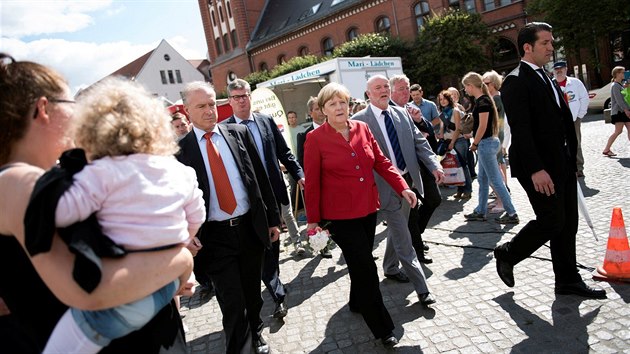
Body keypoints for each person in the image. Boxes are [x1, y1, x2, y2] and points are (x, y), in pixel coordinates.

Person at [0, 53, 193, 353]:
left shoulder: (53, 174)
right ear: (44, 109)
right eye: (71, 105)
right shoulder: (16, 181)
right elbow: (93, 291)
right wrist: (181, 260)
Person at [39, 77, 205, 353]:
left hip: (123, 310)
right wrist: (176, 247)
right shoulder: (177, 170)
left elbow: (61, 214)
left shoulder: (92, 175)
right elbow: (195, 218)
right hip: (155, 300)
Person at [495, 22, 606, 299]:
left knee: (568, 223)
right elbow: (521, 129)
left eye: (552, 42)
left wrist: (572, 157)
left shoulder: (545, 76)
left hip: (562, 163)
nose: (551, 47)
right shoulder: (516, 80)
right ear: (528, 47)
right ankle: (508, 253)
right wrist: (536, 169)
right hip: (539, 168)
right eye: (545, 43)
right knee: (552, 220)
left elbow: (561, 119)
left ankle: (568, 281)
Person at [304, 82, 417, 348]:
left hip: (368, 209)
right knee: (366, 267)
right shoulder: (315, 139)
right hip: (339, 216)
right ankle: (382, 326)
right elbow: (312, 183)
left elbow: (381, 162)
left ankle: (357, 300)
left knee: (360, 261)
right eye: (332, 104)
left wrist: (403, 187)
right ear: (322, 110)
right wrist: (312, 221)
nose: (339, 107)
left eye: (342, 101)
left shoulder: (362, 128)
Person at [177, 81, 281, 354]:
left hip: (249, 228)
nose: (210, 111)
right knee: (232, 301)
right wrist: (186, 236)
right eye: (201, 106)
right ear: (187, 110)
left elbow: (260, 178)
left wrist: (272, 219)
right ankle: (241, 347)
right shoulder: (180, 151)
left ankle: (256, 331)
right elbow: (177, 200)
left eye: (213, 104)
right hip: (214, 237)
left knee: (252, 294)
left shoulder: (238, 133)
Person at [355, 74, 442, 305]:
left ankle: (390, 267)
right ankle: (422, 289)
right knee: (404, 237)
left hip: (407, 184)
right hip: (382, 186)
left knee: (399, 227)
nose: (383, 90)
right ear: (368, 94)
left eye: (386, 86)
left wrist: (434, 164)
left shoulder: (402, 114)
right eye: (378, 88)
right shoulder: (358, 121)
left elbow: (419, 143)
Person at [223, 78, 304, 319]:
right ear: (229, 101)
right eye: (236, 97)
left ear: (250, 96)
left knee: (274, 243)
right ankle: (275, 292)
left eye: (245, 95)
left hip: (274, 195)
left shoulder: (265, 121)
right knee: (259, 248)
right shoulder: (223, 129)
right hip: (247, 201)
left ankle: (274, 285)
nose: (241, 100)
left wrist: (299, 174)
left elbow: (284, 152)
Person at [389, 75, 442, 263]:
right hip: (402, 169)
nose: (406, 92)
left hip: (420, 165)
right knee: (411, 210)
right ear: (391, 91)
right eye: (402, 89)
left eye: (407, 88)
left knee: (434, 200)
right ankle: (416, 250)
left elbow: (430, 140)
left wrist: (420, 120)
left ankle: (413, 236)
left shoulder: (411, 109)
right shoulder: (388, 111)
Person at [462, 72, 519, 225]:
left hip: (486, 143)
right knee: (482, 179)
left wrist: (474, 144)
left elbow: (482, 126)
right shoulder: (483, 100)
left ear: (471, 86)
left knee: (496, 180)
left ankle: (512, 212)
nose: (465, 91)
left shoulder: (483, 102)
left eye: (465, 87)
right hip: (487, 143)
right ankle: (481, 210)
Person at [296, 96, 333, 258]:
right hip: (319, 183)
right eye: (317, 109)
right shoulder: (304, 135)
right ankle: (324, 245)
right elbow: (301, 161)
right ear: (310, 113)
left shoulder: (336, 128)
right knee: (322, 216)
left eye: (322, 107)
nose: (321, 112)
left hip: (337, 183)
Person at [552, 61, 589, 177]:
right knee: (559, 144)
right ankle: (564, 167)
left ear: (566, 69)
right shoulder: (551, 84)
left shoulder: (575, 83)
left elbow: (584, 98)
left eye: (561, 69)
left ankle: (578, 167)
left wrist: (580, 115)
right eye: (556, 69)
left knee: (576, 143)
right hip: (558, 121)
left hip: (574, 119)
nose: (559, 71)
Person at [482, 70, 509, 212]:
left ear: (494, 84)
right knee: (495, 169)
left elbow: (496, 122)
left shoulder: (496, 98)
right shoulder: (491, 97)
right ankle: (500, 199)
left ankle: (502, 201)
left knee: (495, 171)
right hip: (494, 136)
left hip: (495, 137)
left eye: (486, 83)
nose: (484, 86)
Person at [439, 90, 473, 200]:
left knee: (463, 165)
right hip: (448, 142)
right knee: (455, 167)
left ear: (449, 99)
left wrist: (452, 142)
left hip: (458, 141)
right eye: (440, 99)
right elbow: (442, 128)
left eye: (444, 98)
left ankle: (468, 190)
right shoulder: (443, 113)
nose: (442, 101)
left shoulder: (455, 111)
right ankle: (460, 189)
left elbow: (458, 128)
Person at [602, 66, 630, 157]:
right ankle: (606, 149)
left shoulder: (619, 84)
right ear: (617, 74)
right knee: (618, 131)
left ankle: (606, 149)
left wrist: (626, 87)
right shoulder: (615, 85)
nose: (624, 74)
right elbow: (619, 100)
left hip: (623, 111)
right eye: (622, 72)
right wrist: (626, 110)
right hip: (619, 112)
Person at [409, 84, 439, 152]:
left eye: (417, 94)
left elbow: (437, 119)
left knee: (434, 154)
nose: (416, 97)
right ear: (410, 95)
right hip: (416, 137)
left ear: (421, 93)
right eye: (413, 95)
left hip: (430, 136)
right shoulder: (408, 107)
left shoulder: (431, 104)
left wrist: (427, 127)